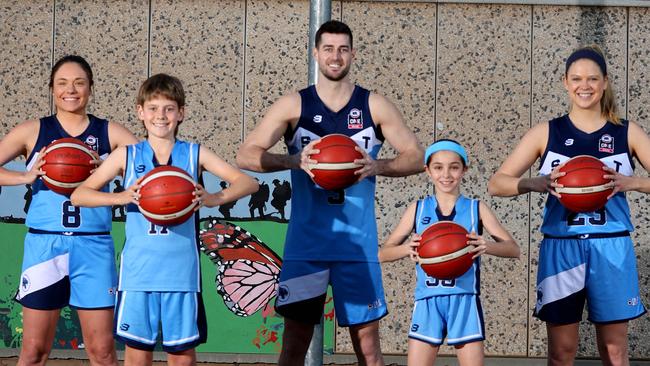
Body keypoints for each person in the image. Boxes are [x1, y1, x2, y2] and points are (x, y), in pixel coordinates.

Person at [236, 20, 423, 366]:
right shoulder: (295, 105)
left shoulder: (373, 105)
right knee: (294, 344)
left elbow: (416, 156)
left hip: (356, 245)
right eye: (328, 49)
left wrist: (376, 166)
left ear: (352, 54)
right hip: (307, 245)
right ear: (316, 53)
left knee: (368, 348)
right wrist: (294, 160)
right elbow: (246, 153)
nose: (335, 57)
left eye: (342, 49)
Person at [71, 73, 257, 366]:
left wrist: (213, 199)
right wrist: (119, 197)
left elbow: (247, 182)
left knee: (182, 358)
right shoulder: (126, 156)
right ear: (140, 112)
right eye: (154, 108)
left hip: (182, 275)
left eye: (169, 108)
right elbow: (80, 195)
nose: (161, 116)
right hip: (137, 275)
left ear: (181, 113)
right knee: (137, 356)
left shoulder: (194, 154)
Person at [487, 45, 648, 365]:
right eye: (576, 79)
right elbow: (496, 183)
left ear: (605, 82)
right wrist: (536, 182)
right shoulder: (548, 132)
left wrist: (632, 183)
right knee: (562, 353)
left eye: (592, 79)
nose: (584, 86)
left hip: (611, 246)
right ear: (565, 82)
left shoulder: (625, 132)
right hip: (562, 248)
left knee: (614, 351)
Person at [0, 55, 138, 366]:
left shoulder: (109, 132)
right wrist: (25, 175)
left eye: (79, 82)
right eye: (62, 83)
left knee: (102, 352)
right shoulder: (33, 131)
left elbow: (147, 173)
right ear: (51, 89)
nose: (70, 90)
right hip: (44, 246)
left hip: (93, 245)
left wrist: (110, 167)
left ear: (90, 88)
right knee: (34, 351)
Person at [379, 140, 519, 366]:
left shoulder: (476, 208)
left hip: (464, 299)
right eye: (438, 167)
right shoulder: (417, 209)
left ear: (464, 170)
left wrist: (487, 246)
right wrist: (407, 249)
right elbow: (382, 254)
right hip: (427, 300)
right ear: (427, 170)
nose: (446, 174)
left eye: (454, 167)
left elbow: (513, 249)